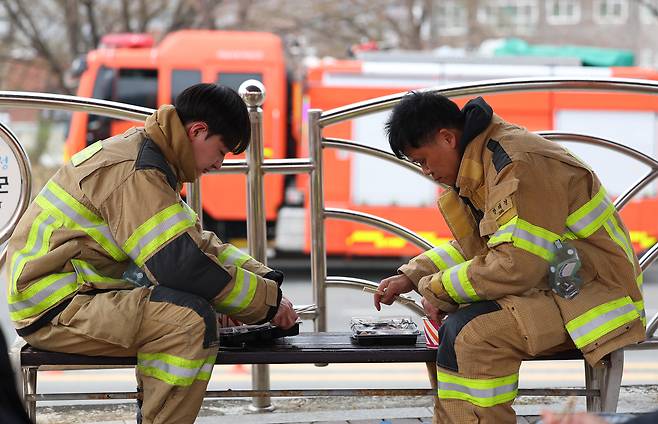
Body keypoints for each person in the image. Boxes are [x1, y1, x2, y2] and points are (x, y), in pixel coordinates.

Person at [5, 83, 298, 424]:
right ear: (197, 131)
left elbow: (197, 244)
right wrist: (266, 303)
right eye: (221, 151)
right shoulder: (138, 170)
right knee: (188, 322)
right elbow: (179, 265)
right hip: (55, 307)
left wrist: (267, 283)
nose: (219, 164)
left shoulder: (150, 156)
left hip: (73, 296)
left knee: (190, 311)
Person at [374, 91, 645, 424]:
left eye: (424, 160)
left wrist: (438, 289)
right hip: (564, 283)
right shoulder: (487, 161)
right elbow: (485, 245)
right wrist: (414, 275)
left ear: (447, 137)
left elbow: (516, 265)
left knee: (473, 333)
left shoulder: (518, 164)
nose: (426, 171)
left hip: (592, 297)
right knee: (455, 328)